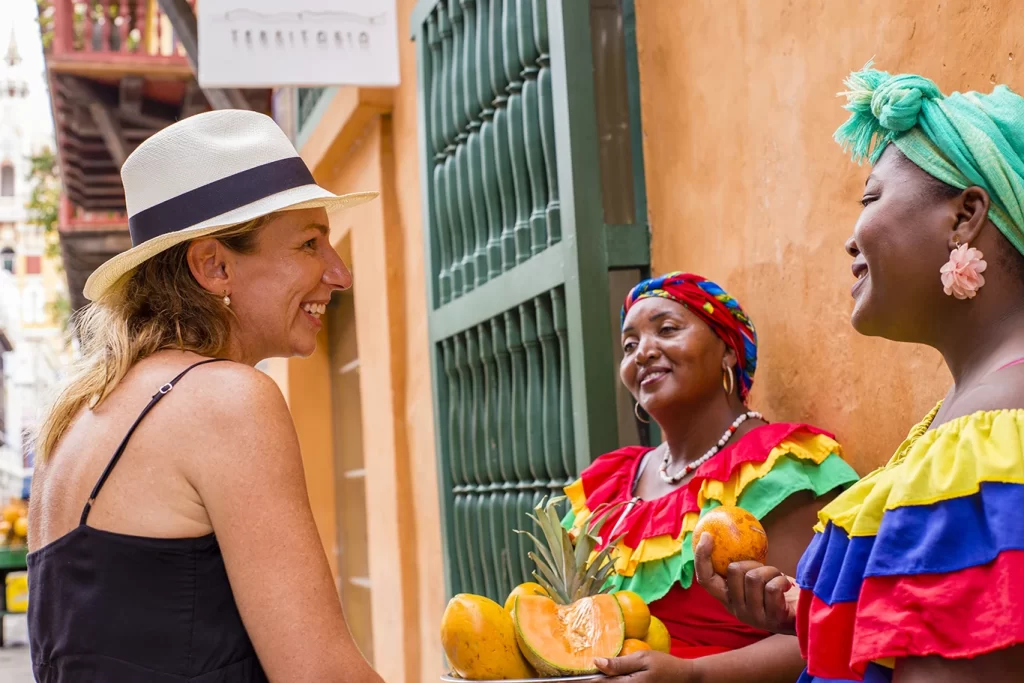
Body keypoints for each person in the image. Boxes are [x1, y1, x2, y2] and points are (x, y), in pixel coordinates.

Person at [688, 65, 1024, 683]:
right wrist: (806, 609)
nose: (850, 239)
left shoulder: (992, 437)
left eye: (870, 199)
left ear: (966, 214)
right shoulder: (958, 422)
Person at [27, 110, 385, 682]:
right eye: (310, 243)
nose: (338, 273)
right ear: (214, 265)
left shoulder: (73, 421)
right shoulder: (227, 400)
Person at [561, 272, 860, 682]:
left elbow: (826, 626)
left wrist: (692, 675)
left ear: (728, 351)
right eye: (630, 345)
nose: (643, 352)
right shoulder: (607, 484)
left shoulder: (779, 465)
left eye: (667, 329)